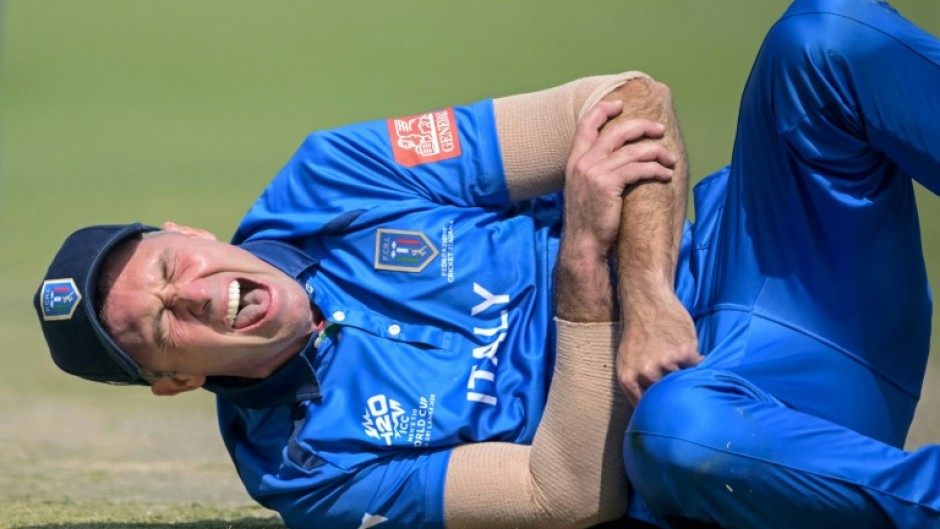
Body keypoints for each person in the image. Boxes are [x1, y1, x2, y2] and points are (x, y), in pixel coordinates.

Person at [34, 67, 693, 528]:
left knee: (799, 44)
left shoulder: (329, 176)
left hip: (730, 247)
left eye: (172, 265)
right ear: (177, 380)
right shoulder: (305, 477)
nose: (194, 296)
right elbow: (565, 495)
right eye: (161, 323)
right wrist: (582, 265)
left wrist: (649, 296)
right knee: (698, 434)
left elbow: (628, 100)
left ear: (188, 232)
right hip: (681, 411)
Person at [621, 0, 940, 527]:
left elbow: (634, 104)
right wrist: (585, 307)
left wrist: (644, 293)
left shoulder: (429, 167)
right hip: (735, 431)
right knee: (678, 430)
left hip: (768, 270)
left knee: (820, 38)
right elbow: (552, 495)